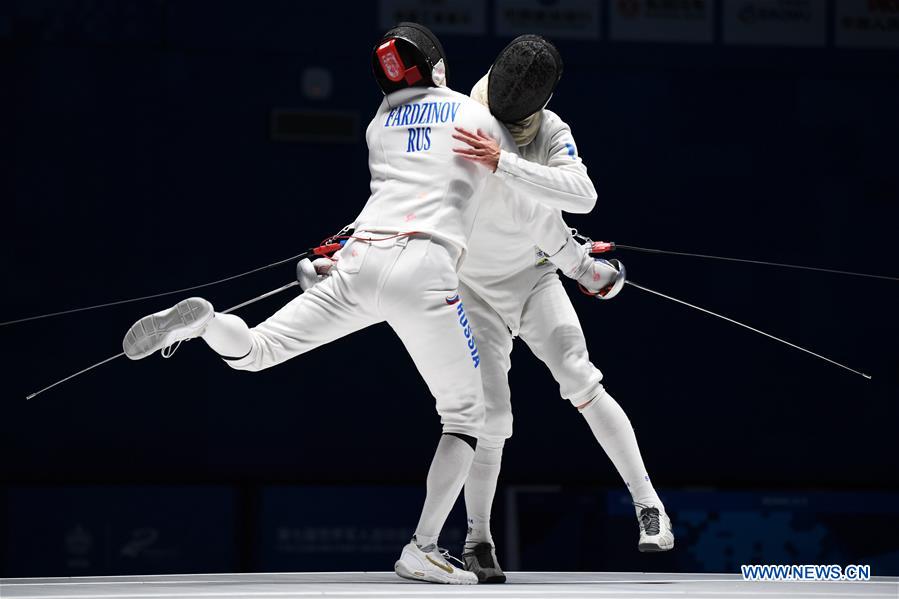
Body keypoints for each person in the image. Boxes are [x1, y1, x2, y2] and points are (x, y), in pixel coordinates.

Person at [121, 23, 519, 585]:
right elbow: (504, 191)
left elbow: (398, 187)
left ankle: (207, 325)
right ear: (436, 68)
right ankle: (423, 547)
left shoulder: (378, 126)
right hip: (425, 269)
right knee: (466, 416)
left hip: (360, 262)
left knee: (257, 350)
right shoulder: (476, 119)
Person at [450, 35, 674, 583]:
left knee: (580, 376)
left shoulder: (550, 131)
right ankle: (478, 537)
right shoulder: (457, 119)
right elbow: (407, 193)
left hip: (532, 278)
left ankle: (650, 506)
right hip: (473, 287)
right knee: (492, 414)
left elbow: (583, 195)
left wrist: (505, 162)